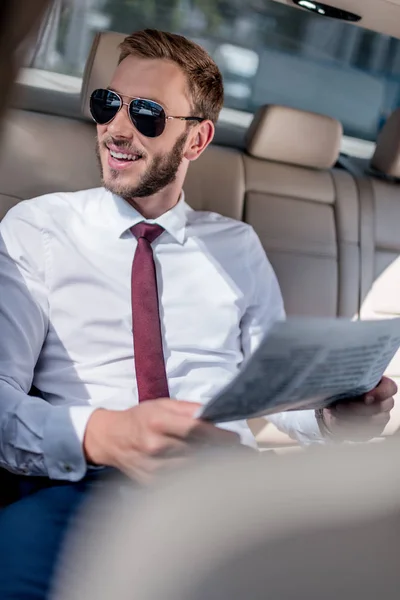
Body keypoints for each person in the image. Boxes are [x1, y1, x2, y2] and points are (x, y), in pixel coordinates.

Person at [0, 29, 396, 599]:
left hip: (229, 490)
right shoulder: (37, 229)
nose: (117, 128)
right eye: (107, 105)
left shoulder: (237, 246)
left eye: (148, 114)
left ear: (197, 139)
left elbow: (274, 397)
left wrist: (333, 421)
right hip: (83, 486)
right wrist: (105, 434)